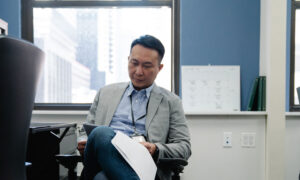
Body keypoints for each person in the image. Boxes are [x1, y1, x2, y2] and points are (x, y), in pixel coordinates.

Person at [77, 35, 191, 180]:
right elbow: (85, 131)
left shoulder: (171, 102)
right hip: (101, 159)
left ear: (159, 68)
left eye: (147, 66)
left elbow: (184, 147)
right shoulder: (105, 93)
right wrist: (83, 141)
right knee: (101, 134)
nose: (138, 71)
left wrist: (156, 149)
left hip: (143, 167)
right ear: (128, 60)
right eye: (134, 63)